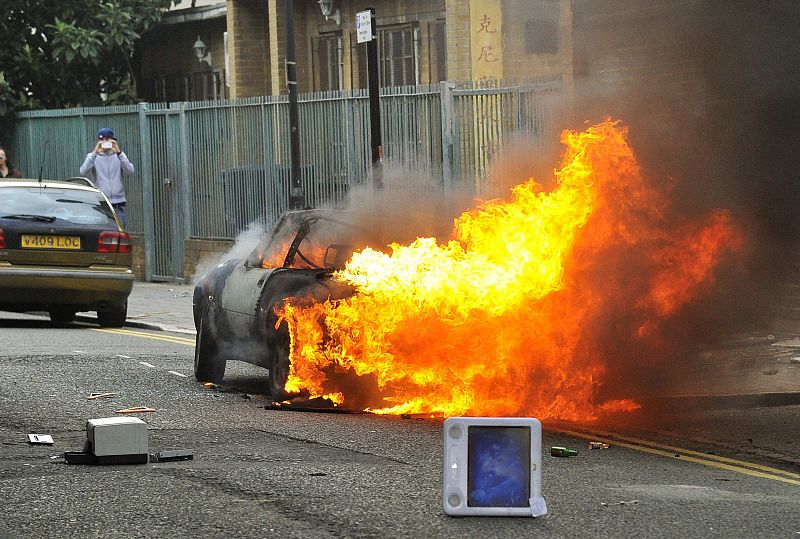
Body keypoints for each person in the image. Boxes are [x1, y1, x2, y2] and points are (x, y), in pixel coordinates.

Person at [79, 127, 135, 227]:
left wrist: (119, 153)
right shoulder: (93, 157)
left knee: (120, 230)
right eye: (102, 140)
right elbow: (83, 171)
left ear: (113, 141)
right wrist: (94, 153)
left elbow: (130, 170)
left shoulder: (119, 156)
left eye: (107, 139)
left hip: (118, 203)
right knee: (102, 230)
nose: (105, 142)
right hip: (101, 202)